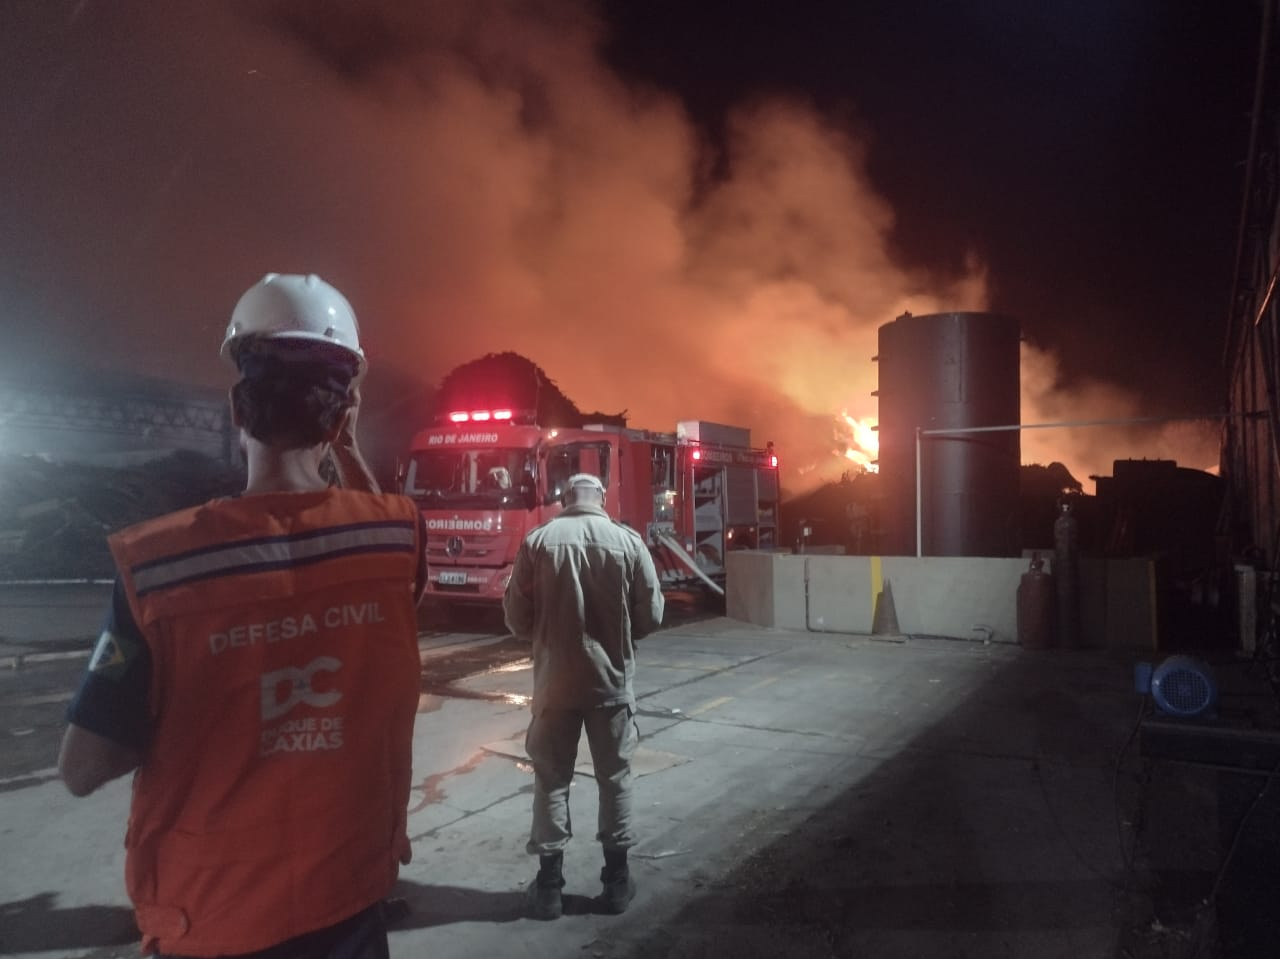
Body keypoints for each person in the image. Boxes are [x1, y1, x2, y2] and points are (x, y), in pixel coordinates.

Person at [57, 274, 426, 958]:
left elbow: (83, 767)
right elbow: (374, 522)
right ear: (342, 416)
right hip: (348, 906)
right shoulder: (392, 539)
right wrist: (343, 446)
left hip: (212, 921)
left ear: (236, 409)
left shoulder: (159, 566)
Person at [502, 472, 665, 920]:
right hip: (610, 684)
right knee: (614, 780)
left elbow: (516, 619)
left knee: (551, 781)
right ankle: (616, 884)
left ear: (564, 499)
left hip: (554, 684)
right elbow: (651, 615)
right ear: (602, 499)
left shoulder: (539, 542)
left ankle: (550, 889)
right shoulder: (628, 543)